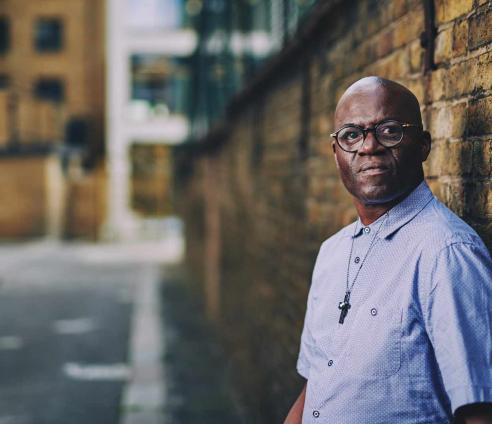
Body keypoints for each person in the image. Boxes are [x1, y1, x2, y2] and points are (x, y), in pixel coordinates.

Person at [284, 76, 492, 424]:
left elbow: (480, 410)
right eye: (352, 134)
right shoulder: (332, 253)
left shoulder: (447, 253)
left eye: (390, 130)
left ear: (423, 145)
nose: (368, 147)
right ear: (336, 154)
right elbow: (315, 386)